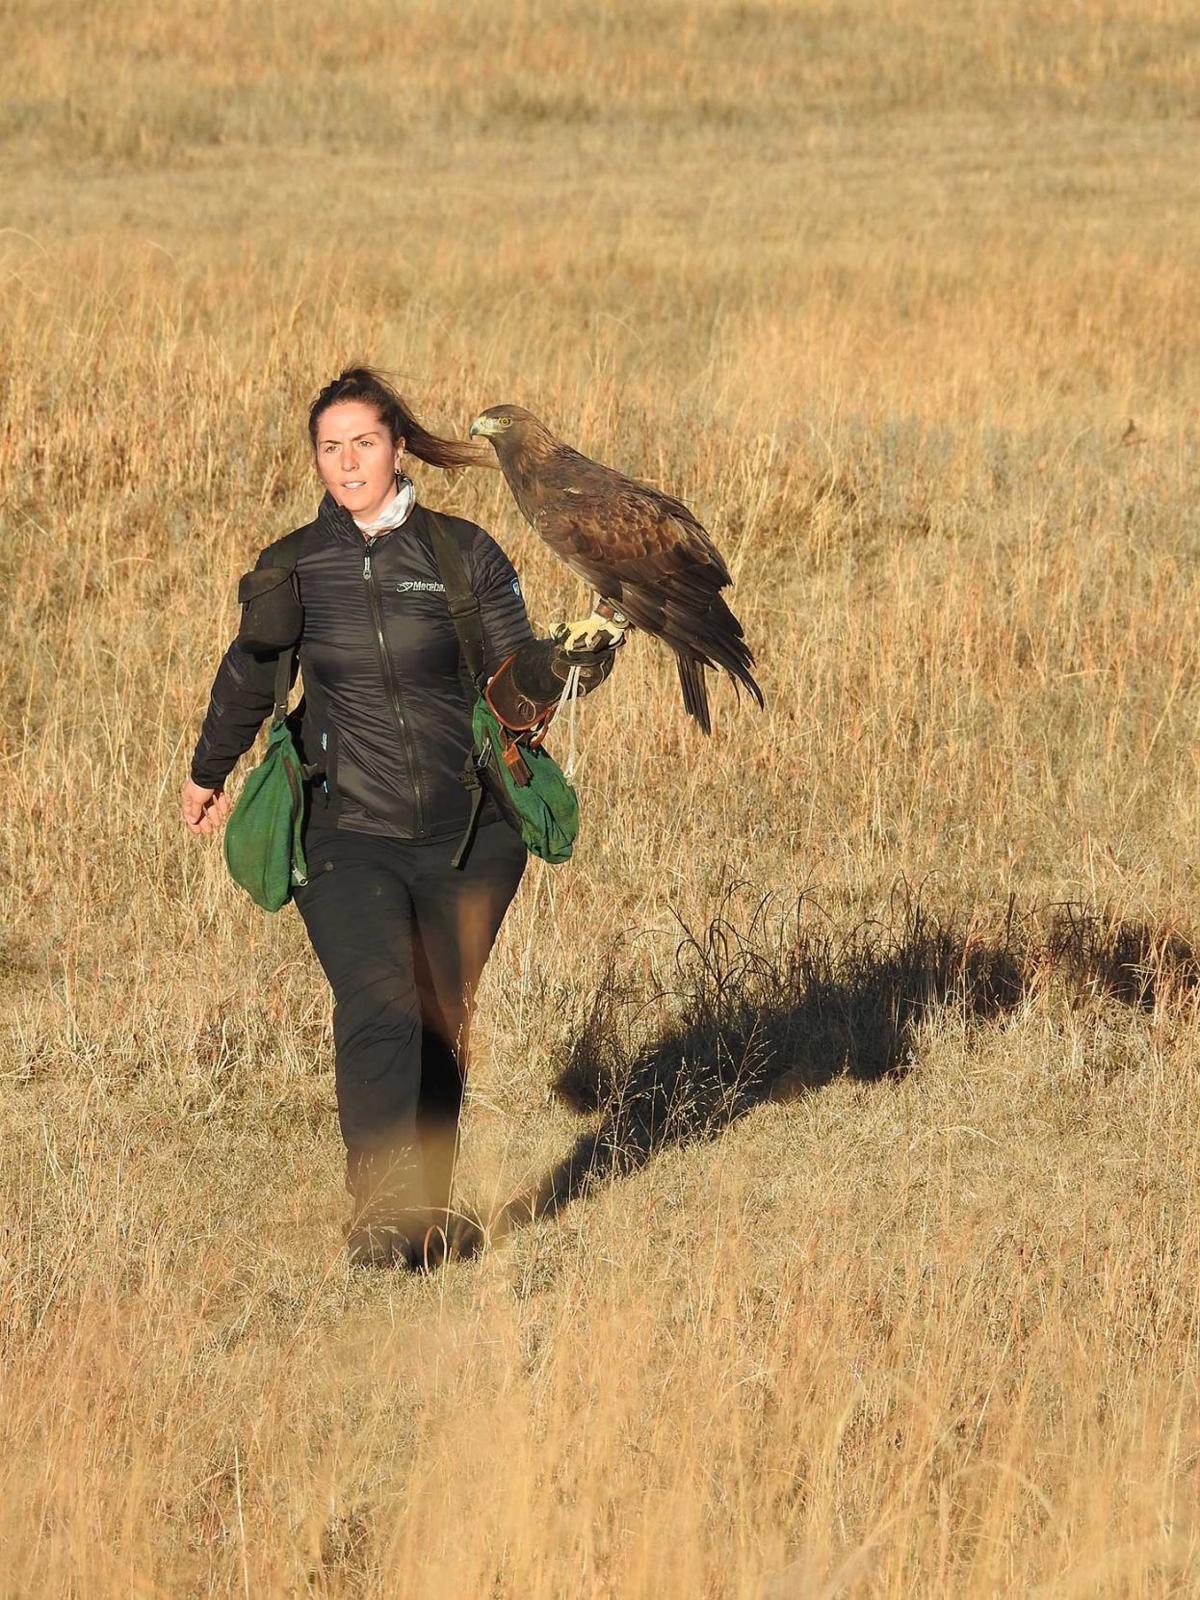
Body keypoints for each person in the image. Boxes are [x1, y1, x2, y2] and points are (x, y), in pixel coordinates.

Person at [181, 368, 618, 1269]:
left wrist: (562, 669)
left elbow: (512, 683)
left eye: (365, 443)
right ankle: (382, 1216)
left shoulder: (462, 554)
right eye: (331, 447)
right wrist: (206, 770)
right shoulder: (295, 565)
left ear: (399, 447)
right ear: (316, 457)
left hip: (473, 832)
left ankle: (426, 1212)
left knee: (437, 1012)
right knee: (381, 998)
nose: (348, 463)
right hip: (346, 830)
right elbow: (248, 670)